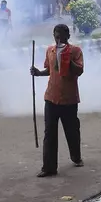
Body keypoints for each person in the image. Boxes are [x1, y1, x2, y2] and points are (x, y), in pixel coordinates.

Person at [30, 24, 85, 177]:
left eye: (61, 36)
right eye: (56, 36)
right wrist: (38, 73)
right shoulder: (50, 50)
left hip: (69, 99)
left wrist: (66, 58)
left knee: (72, 130)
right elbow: (49, 70)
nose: (58, 39)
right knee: (50, 133)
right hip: (51, 98)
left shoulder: (75, 51)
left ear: (67, 36)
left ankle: (76, 156)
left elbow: (79, 70)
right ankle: (48, 167)